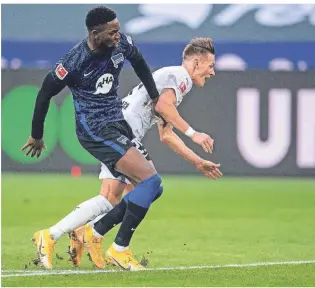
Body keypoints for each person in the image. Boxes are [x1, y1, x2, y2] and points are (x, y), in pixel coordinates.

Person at [20, 6, 213, 270]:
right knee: (149, 182)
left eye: (118, 29)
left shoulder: (122, 44)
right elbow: (44, 93)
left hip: (118, 124)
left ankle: (58, 235)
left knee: (131, 192)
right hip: (95, 130)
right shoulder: (74, 61)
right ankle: (113, 245)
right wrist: (37, 134)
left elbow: (140, 62)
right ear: (95, 33)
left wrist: (155, 94)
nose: (117, 35)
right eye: (112, 32)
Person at [67, 37, 221, 271]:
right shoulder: (180, 77)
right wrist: (194, 133)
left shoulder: (171, 81)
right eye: (210, 66)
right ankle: (114, 247)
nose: (213, 72)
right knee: (149, 185)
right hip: (122, 133)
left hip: (119, 129)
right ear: (197, 63)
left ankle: (88, 233)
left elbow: (166, 134)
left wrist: (198, 162)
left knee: (123, 194)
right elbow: (162, 108)